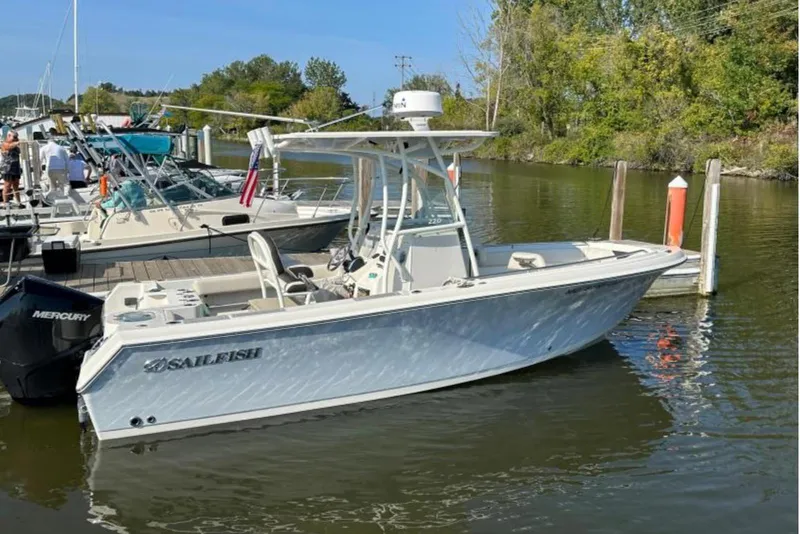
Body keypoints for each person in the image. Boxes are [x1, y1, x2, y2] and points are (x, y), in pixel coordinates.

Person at [1, 130, 21, 206]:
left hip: (15, 168)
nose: (16, 138)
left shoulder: (15, 145)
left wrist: (18, 142)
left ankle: (19, 202)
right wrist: (17, 142)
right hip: (7, 169)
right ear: (9, 136)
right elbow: (8, 147)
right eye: (14, 137)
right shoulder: (4, 143)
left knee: (16, 185)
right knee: (7, 185)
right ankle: (5, 203)